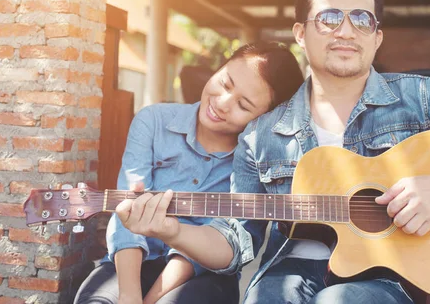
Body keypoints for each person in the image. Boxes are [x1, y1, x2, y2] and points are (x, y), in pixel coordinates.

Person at [115, 0, 430, 304]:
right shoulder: (259, 137)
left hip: (391, 276)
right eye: (329, 17)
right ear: (301, 34)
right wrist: (171, 230)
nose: (347, 30)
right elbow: (236, 241)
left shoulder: (421, 100)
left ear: (377, 38)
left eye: (362, 19)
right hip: (288, 273)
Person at [74, 41, 304, 304]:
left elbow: (218, 244)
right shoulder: (154, 120)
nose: (222, 103)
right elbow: (127, 214)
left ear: (264, 118)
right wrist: (129, 295)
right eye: (225, 83)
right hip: (131, 260)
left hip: (202, 275)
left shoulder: (253, 161)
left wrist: (149, 300)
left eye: (244, 105)